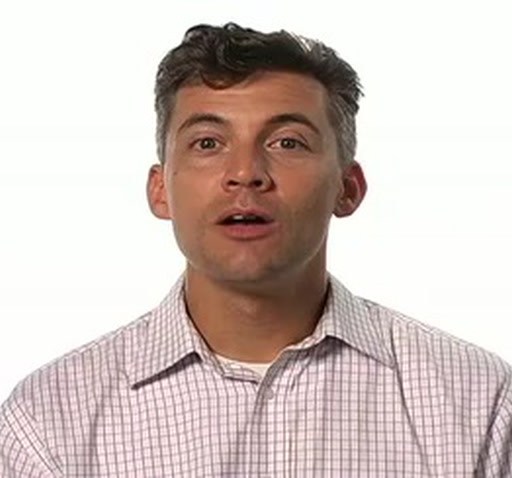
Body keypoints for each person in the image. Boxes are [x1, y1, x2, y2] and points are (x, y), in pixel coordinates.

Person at [0, 22, 511, 477]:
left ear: (348, 187)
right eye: (207, 143)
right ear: (160, 190)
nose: (245, 173)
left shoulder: (476, 401)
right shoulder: (49, 422)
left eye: (287, 142)